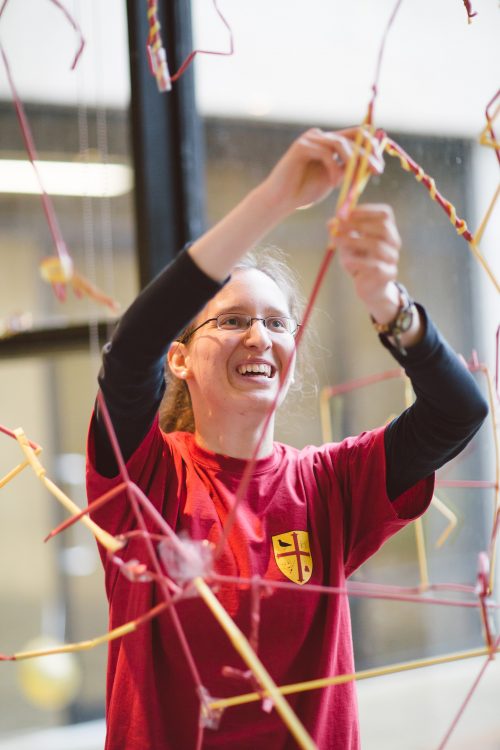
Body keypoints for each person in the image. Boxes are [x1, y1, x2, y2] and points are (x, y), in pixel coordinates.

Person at [86, 128, 488, 750]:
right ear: (181, 361)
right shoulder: (146, 478)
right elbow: (129, 351)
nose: (260, 338)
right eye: (235, 320)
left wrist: (388, 302)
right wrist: (274, 200)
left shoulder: (329, 483)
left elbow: (458, 411)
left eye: (276, 323)